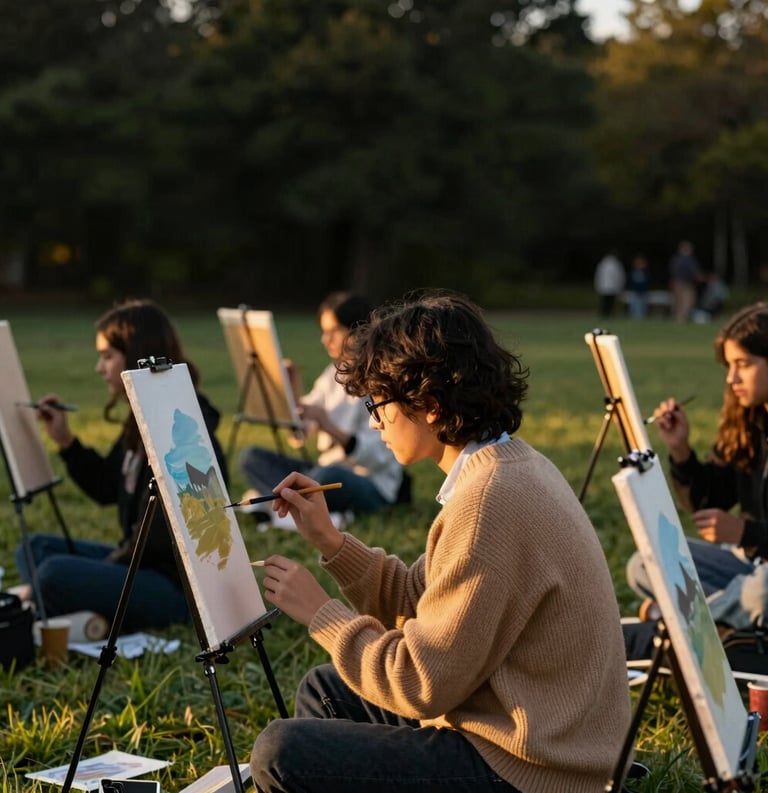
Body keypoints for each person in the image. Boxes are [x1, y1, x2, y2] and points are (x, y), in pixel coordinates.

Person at [248, 290, 631, 793]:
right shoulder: (509, 466)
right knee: (326, 690)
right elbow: (425, 604)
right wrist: (333, 543)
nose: (372, 421)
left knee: (281, 753)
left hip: (531, 769)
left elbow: (421, 682)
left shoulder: (488, 502)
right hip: (530, 735)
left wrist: (322, 614)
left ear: (427, 404)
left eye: (377, 405)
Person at [13, 299, 228, 633]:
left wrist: (106, 566)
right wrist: (66, 441)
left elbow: (156, 537)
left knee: (54, 573)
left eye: (107, 356)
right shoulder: (139, 418)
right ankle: (83, 611)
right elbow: (105, 487)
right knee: (34, 548)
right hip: (138, 564)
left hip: (172, 588)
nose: (100, 368)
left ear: (136, 354)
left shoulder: (178, 427)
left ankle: (70, 607)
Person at [627, 302, 768, 633]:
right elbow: (709, 501)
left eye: (743, 364)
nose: (732, 377)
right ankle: (722, 620)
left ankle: (678, 622)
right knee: (645, 564)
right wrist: (681, 449)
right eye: (729, 366)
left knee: (762, 594)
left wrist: (745, 533)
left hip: (760, 579)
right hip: (746, 565)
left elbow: (740, 532)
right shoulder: (750, 422)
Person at [239, 292, 403, 520]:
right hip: (323, 472)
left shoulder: (382, 378)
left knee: (326, 476)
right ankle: (294, 506)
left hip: (369, 483)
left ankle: (274, 505)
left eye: (333, 331)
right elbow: (300, 431)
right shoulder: (333, 374)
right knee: (251, 457)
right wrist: (291, 392)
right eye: (323, 332)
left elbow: (379, 458)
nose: (325, 339)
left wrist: (327, 424)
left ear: (358, 331)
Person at [669, 240, 701, 322]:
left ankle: (677, 318)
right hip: (687, 284)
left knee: (678, 301)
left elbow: (672, 271)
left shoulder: (675, 259)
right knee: (687, 301)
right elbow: (694, 273)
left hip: (677, 283)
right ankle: (683, 318)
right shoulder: (690, 260)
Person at [594, 250, 626, 318]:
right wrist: (620, 287)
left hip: (605, 287)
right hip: (612, 287)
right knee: (609, 303)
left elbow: (598, 276)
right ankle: (607, 315)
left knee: (606, 303)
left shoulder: (602, 264)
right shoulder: (616, 264)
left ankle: (605, 315)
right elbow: (620, 277)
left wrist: (598, 286)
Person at [626, 255, 650, 319]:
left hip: (643, 293)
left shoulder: (645, 273)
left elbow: (647, 283)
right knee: (634, 308)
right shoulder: (632, 273)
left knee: (642, 309)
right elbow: (629, 283)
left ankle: (640, 320)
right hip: (634, 293)